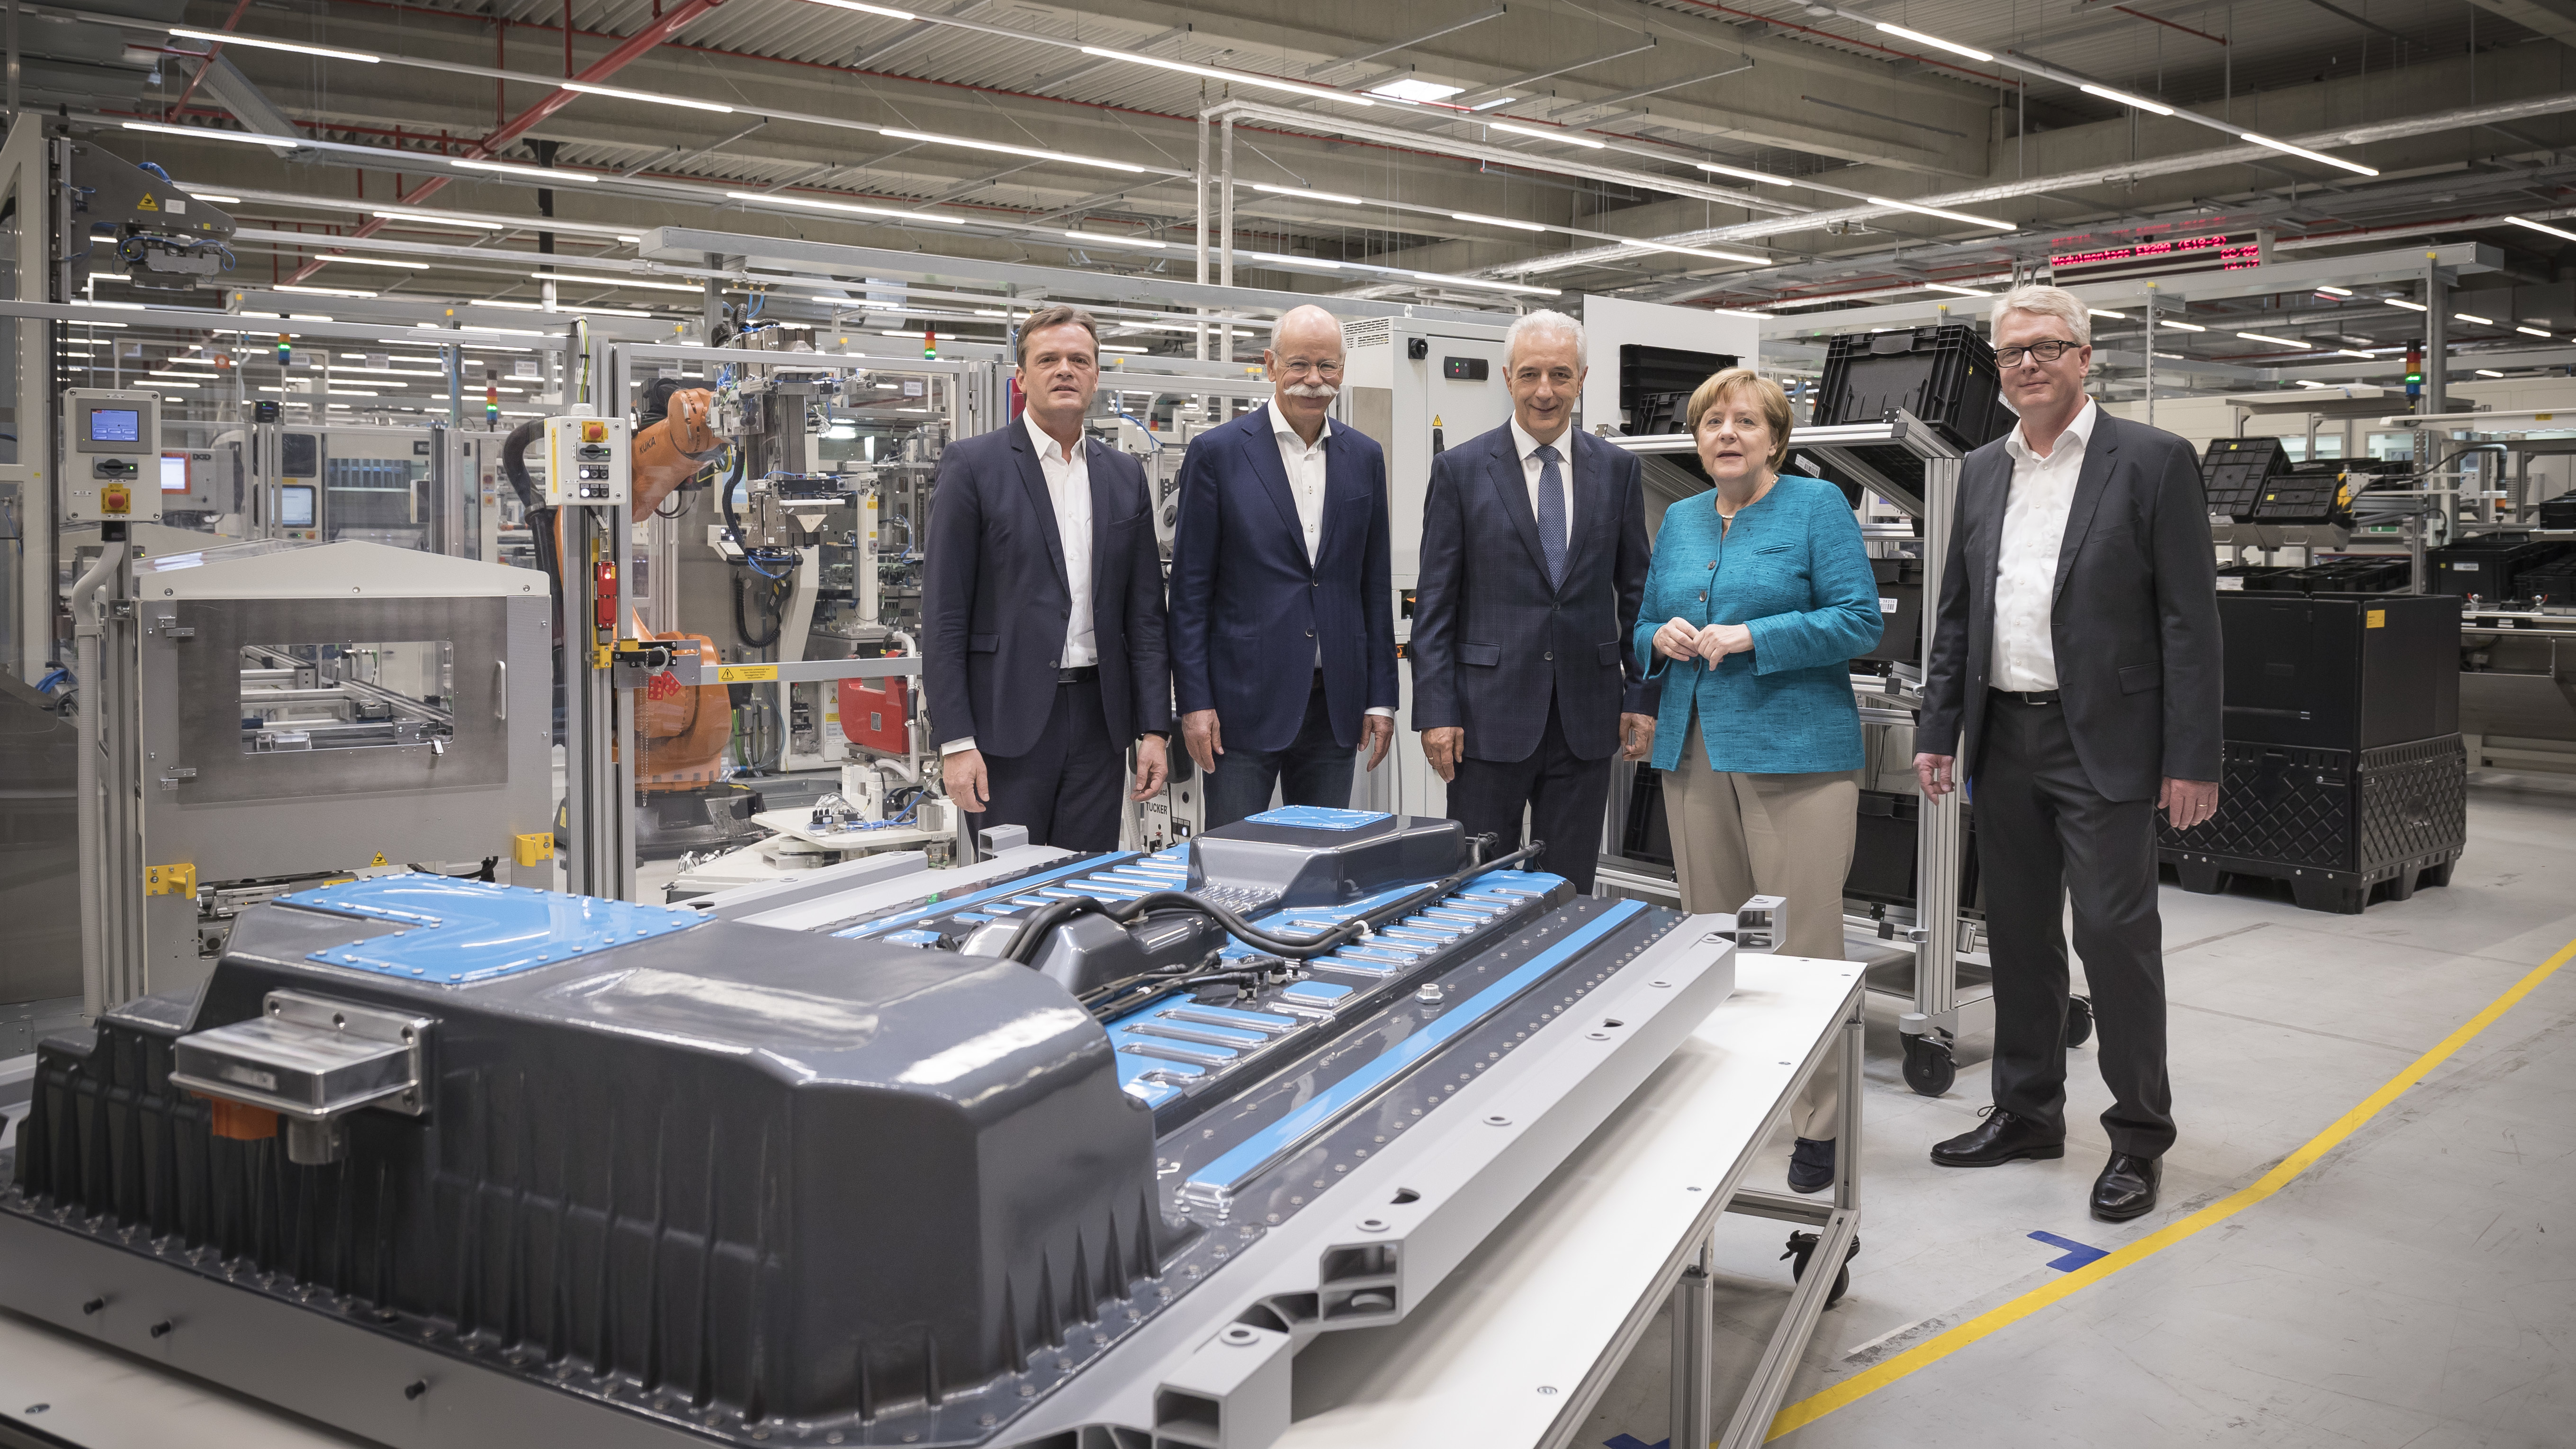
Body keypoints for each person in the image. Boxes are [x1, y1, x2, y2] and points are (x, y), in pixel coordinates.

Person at [1915, 284, 2222, 1224]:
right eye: (2011, 352)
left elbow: (2189, 621)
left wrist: (2193, 755)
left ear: (2085, 357)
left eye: (2048, 347)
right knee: (2014, 935)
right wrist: (1937, 729)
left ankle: (2136, 1135)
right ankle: (2024, 1108)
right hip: (2003, 735)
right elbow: (1958, 612)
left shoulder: (2152, 461)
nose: (2028, 364)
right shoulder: (1978, 470)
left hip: (2108, 744)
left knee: (2113, 938)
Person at [1637, 367, 1883, 1194]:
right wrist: (1657, 636)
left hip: (1796, 755)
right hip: (1694, 745)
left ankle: (1820, 1124)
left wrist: (1750, 634)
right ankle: (1729, 1103)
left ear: (1775, 437)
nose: (1726, 434)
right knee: (1711, 941)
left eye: (1745, 422)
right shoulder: (1676, 517)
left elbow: (1859, 618)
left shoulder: (1815, 508)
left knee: (1802, 946)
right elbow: (1641, 621)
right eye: (1712, 422)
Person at [1412, 309, 1656, 896]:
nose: (1544, 391)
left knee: (1568, 886)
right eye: (1529, 375)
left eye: (1559, 375)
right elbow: (1436, 605)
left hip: (1587, 719)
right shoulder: (1461, 470)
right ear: (1507, 377)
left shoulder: (1618, 471)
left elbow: (1636, 593)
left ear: (1582, 378)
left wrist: (1641, 694)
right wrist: (1436, 710)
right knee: (1473, 888)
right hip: (1484, 719)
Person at [924, 304, 1170, 849]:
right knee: (1009, 895)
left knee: (1085, 889)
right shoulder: (974, 465)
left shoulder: (1124, 475)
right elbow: (943, 616)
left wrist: (1155, 729)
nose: (1066, 370)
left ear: (1096, 375)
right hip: (1005, 724)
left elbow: (1145, 614)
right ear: (1022, 377)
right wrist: (956, 741)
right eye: (1049, 359)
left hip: (1100, 721)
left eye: (1079, 359)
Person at [1167, 304, 1397, 828]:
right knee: (1233, 863)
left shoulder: (1364, 456)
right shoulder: (1218, 453)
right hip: (1239, 707)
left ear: (1342, 369)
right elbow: (1189, 595)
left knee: (1320, 863)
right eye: (1299, 365)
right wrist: (1194, 702)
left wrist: (1381, 696)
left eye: (1327, 366)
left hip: (1334, 706)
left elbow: (1372, 583)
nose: (1314, 380)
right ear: (1271, 365)